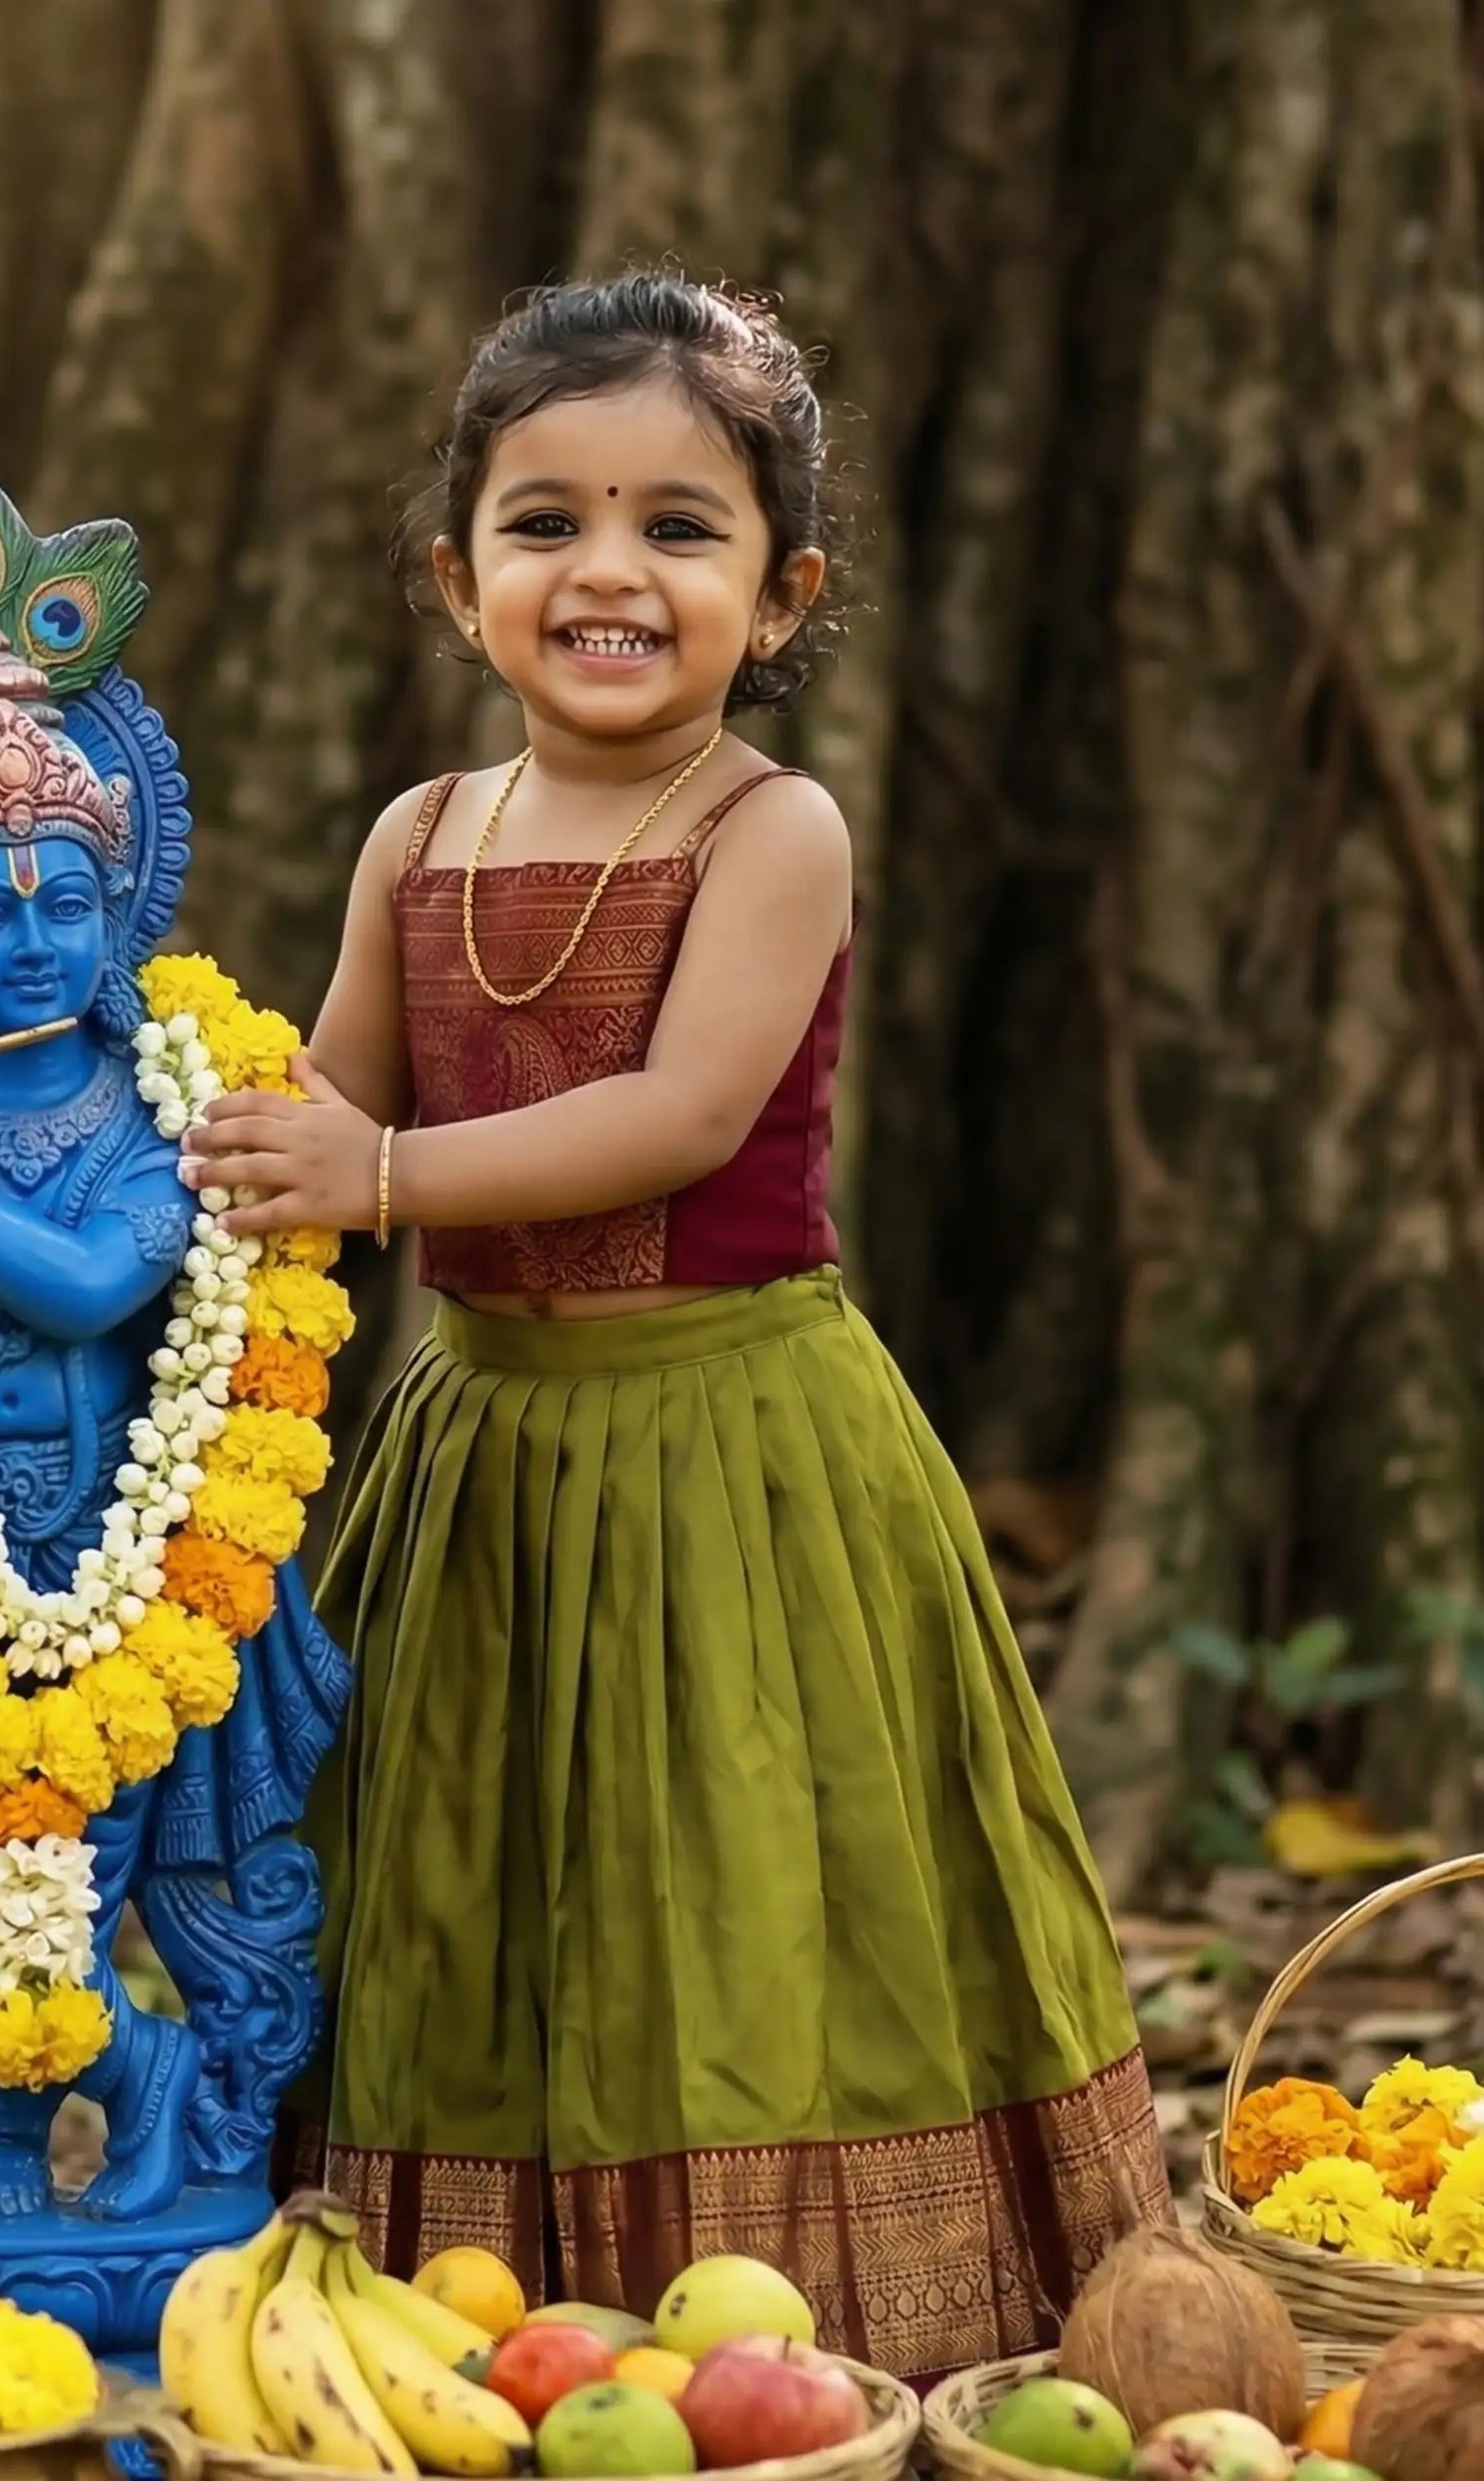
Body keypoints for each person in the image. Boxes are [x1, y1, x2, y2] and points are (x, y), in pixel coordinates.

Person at [180, 272, 1167, 2384]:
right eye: (542, 522)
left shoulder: (765, 827)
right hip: (478, 1456)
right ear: (456, 582)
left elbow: (673, 1116)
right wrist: (149, 1139)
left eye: (678, 526)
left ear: (781, 589)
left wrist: (368, 1182)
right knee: (468, 1858)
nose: (605, 570)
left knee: (722, 1857)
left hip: (731, 1446)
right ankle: (462, 2319)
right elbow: (328, 1108)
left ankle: (783, 2343)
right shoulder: (415, 837)